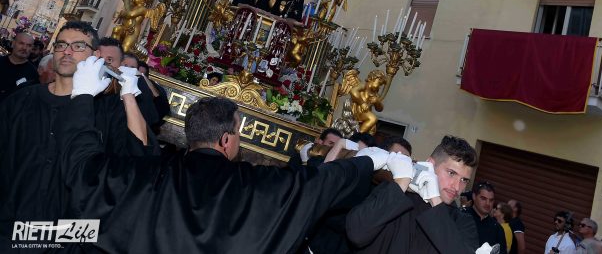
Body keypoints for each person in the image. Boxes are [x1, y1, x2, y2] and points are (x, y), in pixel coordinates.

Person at [59, 95, 389, 253]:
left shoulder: (146, 173)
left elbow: (82, 166)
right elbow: (315, 185)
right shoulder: (253, 185)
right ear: (227, 140)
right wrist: (365, 162)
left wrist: (82, 97)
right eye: (239, 134)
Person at [0, 21, 150, 251]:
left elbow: (140, 157)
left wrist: (129, 95)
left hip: (69, 237)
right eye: (61, 45)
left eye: (78, 46)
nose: (67, 51)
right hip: (10, 228)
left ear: (96, 56)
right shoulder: (22, 99)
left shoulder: (107, 109)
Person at [346, 135, 480, 253]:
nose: (457, 187)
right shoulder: (396, 192)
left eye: (464, 180)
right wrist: (401, 184)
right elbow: (356, 234)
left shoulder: (462, 221)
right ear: (430, 164)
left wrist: (435, 201)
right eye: (451, 173)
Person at [98, 36, 160, 127]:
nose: (103, 64)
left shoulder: (132, 87)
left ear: (119, 64)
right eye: (100, 58)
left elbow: (150, 117)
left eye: (110, 60)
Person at [467, 181, 507, 254]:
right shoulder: (459, 216)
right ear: (474, 196)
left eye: (491, 200)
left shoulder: (497, 229)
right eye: (483, 198)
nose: (488, 203)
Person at [0, 31, 38, 102]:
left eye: (29, 45)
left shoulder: (33, 73)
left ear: (31, 49)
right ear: (13, 44)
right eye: (21, 43)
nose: (24, 48)